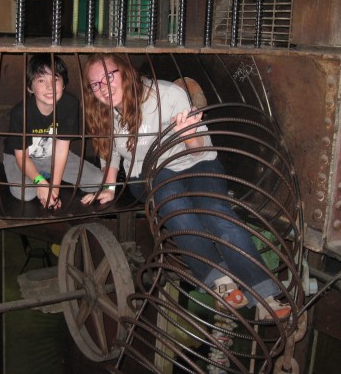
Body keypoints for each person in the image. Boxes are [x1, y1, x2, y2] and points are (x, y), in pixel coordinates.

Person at [80, 53, 289, 319]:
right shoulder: (102, 113)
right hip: (147, 175)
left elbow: (197, 149)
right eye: (95, 84)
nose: (103, 88)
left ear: (125, 71)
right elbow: (110, 156)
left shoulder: (167, 95)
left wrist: (189, 138)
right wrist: (108, 188)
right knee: (174, 203)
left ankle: (264, 296)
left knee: (215, 210)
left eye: (109, 77)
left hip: (195, 162)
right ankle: (220, 280)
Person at [4, 54, 104, 210]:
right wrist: (41, 183)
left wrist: (54, 189)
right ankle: (41, 176)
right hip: (21, 158)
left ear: (64, 84)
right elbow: (21, 157)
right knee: (26, 194)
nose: (50, 87)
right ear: (30, 87)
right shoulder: (20, 112)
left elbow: (62, 150)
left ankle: (47, 176)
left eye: (55, 79)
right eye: (41, 80)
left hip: (53, 155)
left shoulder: (69, 104)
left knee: (97, 180)